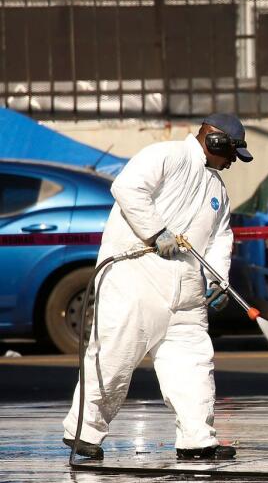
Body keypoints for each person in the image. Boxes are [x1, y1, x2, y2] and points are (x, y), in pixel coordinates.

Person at [62, 114, 253, 461]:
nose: (230, 164)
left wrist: (217, 281)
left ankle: (198, 439)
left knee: (193, 365)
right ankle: (84, 431)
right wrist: (156, 232)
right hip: (136, 277)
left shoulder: (217, 191)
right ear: (215, 142)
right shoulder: (166, 155)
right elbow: (127, 188)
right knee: (114, 358)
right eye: (230, 155)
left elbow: (221, 238)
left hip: (187, 290)